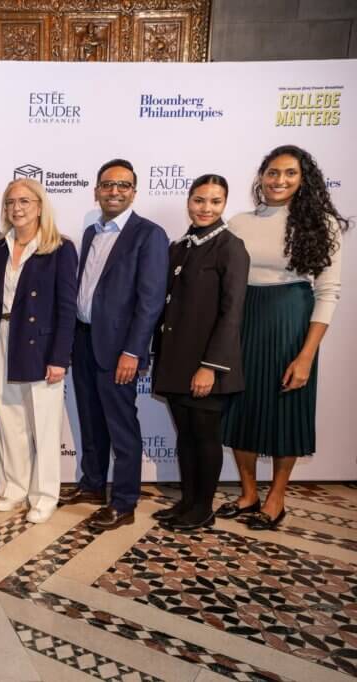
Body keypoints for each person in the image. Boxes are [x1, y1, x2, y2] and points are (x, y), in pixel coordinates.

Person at [220, 145, 347, 530]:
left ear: (302, 179)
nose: (279, 180)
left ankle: (276, 497)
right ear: (261, 176)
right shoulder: (239, 222)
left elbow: (328, 292)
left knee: (285, 410)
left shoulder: (320, 224)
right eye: (273, 172)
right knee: (239, 408)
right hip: (244, 319)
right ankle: (247, 493)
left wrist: (306, 355)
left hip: (291, 320)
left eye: (289, 173)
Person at [59, 159, 169, 532]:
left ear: (134, 191)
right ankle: (92, 485)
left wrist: (134, 351)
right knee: (91, 420)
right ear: (97, 191)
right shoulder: (92, 232)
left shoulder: (148, 235)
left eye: (123, 185)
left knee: (122, 426)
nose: (114, 191)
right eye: (107, 185)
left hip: (120, 349)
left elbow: (151, 301)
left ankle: (123, 502)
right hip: (85, 340)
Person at [152, 175, 249, 531]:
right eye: (199, 200)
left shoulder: (230, 247)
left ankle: (203, 508)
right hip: (176, 362)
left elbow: (232, 311)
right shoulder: (180, 246)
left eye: (215, 201)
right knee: (186, 436)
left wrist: (210, 366)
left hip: (208, 365)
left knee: (205, 437)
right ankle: (188, 502)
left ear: (224, 204)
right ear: (189, 201)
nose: (205, 208)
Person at [0, 179, 77, 524]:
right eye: (10, 202)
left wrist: (59, 358)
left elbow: (67, 308)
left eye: (25, 201)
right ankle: (14, 489)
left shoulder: (59, 247)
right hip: (4, 337)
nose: (17, 208)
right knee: (9, 419)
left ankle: (44, 495)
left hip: (40, 344)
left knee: (44, 423)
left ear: (40, 205)